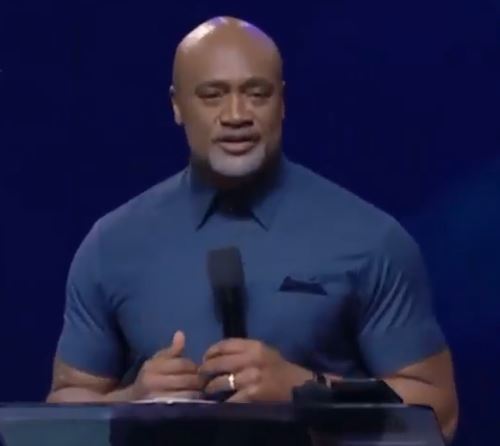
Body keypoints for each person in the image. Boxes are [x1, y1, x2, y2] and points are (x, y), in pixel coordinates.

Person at [47, 16, 458, 441]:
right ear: (177, 105)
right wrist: (133, 401)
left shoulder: (371, 239)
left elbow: (439, 415)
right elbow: (61, 414)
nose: (236, 115)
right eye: (212, 95)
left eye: (257, 94)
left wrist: (307, 391)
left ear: (282, 102)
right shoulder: (113, 244)